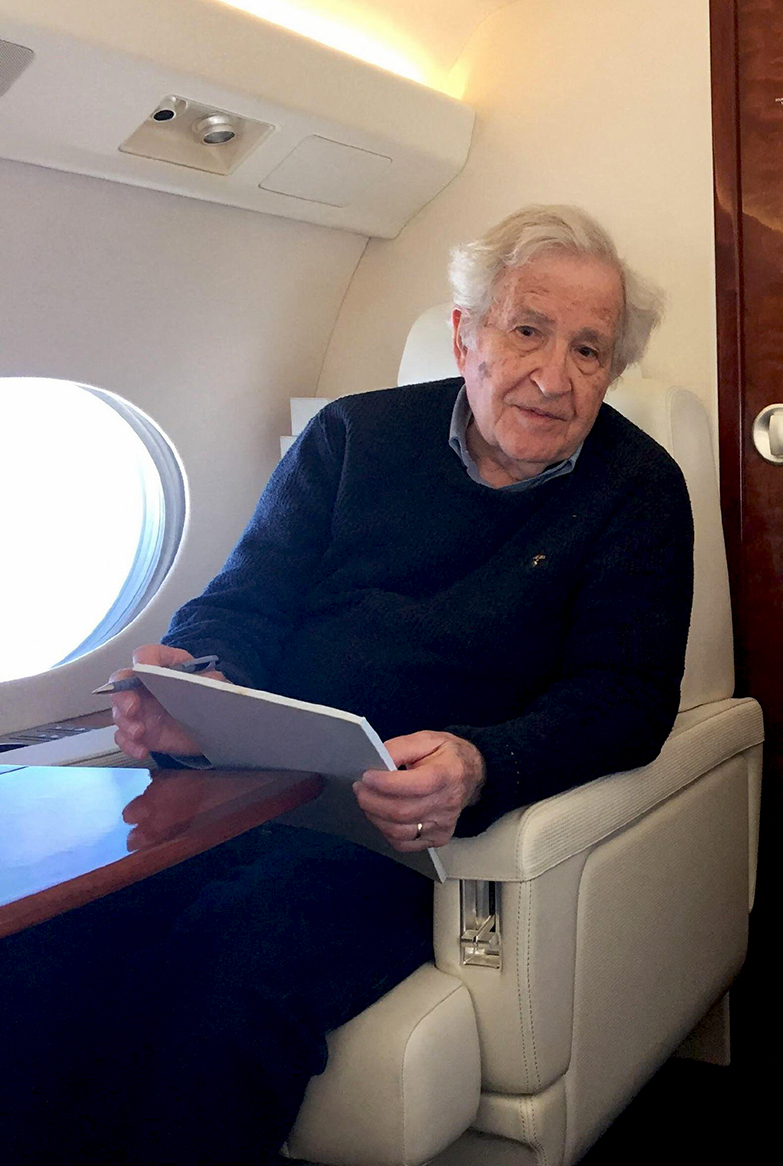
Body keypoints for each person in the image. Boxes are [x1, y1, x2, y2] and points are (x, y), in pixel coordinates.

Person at [1, 204, 694, 1165]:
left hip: (398, 846)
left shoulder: (638, 490)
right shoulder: (351, 437)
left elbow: (627, 696)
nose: (552, 376)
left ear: (611, 371)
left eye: (588, 350)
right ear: (465, 334)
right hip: (240, 797)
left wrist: (481, 762)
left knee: (231, 961)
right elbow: (241, 603)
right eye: (526, 331)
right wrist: (198, 677)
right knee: (48, 944)